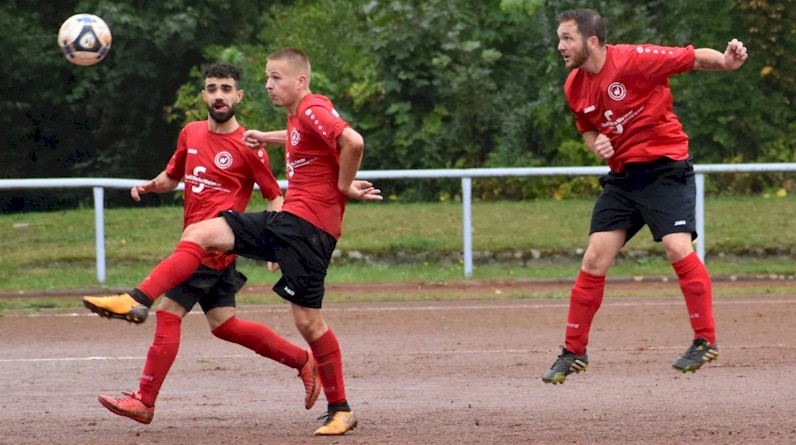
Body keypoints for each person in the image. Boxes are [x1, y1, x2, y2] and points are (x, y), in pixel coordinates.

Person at [83, 48, 382, 436]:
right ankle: (338, 406)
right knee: (277, 315)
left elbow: (353, 142)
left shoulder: (309, 108)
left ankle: (138, 308)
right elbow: (303, 136)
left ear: (300, 81)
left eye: (275, 77)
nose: (268, 85)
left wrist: (344, 187)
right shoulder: (297, 116)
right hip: (298, 226)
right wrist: (271, 139)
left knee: (304, 319)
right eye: (267, 78)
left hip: (305, 227)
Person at [541, 9, 748, 385]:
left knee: (676, 248)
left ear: (592, 41)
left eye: (567, 38)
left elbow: (693, 57)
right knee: (594, 258)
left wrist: (727, 62)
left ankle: (705, 340)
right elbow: (587, 128)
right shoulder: (574, 85)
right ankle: (574, 352)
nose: (560, 46)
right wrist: (597, 146)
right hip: (623, 179)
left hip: (665, 169)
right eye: (559, 38)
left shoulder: (634, 60)